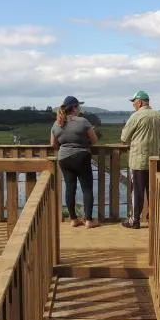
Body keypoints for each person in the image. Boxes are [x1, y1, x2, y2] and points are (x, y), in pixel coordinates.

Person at [120, 90, 160, 229]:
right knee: (154, 192)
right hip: (155, 161)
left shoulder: (135, 116)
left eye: (134, 102)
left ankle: (134, 221)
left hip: (138, 161)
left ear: (140, 102)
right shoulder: (159, 115)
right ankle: (156, 220)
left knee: (137, 192)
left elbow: (124, 138)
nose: (133, 105)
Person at [51, 96, 99, 228]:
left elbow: (53, 144)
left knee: (70, 188)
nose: (79, 109)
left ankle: (73, 219)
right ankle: (89, 220)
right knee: (87, 189)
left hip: (64, 158)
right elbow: (94, 140)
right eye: (78, 106)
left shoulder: (57, 123)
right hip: (81, 157)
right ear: (74, 108)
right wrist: (82, 142)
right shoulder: (83, 121)